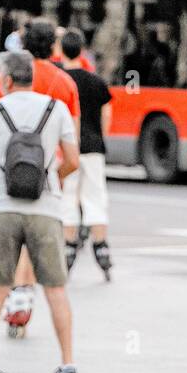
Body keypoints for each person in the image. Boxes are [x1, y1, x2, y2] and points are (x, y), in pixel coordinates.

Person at [0, 50, 79, 373]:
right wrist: (51, 179)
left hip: (3, 209)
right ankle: (67, 364)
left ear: (8, 80)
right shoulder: (55, 109)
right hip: (46, 210)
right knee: (56, 289)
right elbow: (72, 159)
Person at [58, 28, 114, 280]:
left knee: (68, 197)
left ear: (61, 51)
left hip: (67, 147)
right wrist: (102, 135)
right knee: (95, 196)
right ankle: (101, 246)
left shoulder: (59, 80)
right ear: (82, 50)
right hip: (93, 147)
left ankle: (69, 246)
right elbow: (107, 112)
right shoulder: (95, 81)